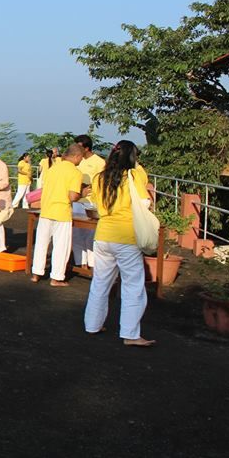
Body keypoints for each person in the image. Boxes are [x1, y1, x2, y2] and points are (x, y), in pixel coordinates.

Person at [83, 140, 156, 346]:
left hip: (103, 235)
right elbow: (144, 203)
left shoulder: (99, 178)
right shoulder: (133, 176)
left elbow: (96, 204)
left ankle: (92, 325)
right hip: (127, 237)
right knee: (133, 286)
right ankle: (130, 334)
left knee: (100, 282)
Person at [31, 143, 85, 286]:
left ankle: (36, 273)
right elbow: (72, 196)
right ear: (77, 156)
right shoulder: (75, 172)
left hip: (47, 209)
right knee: (61, 246)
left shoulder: (52, 169)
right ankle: (56, 277)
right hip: (62, 212)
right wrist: (82, 193)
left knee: (41, 244)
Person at [72, 134, 107, 268]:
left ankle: (92, 263)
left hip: (92, 200)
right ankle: (80, 261)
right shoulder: (76, 161)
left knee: (91, 233)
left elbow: (102, 182)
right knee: (76, 232)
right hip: (77, 199)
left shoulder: (99, 162)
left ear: (86, 148)